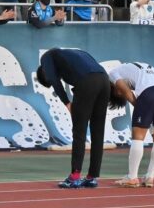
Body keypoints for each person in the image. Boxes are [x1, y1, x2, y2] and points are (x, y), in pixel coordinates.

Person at [36, 48, 110, 188]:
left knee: (79, 132)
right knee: (98, 132)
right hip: (104, 81)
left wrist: (67, 103)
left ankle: (74, 177)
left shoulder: (47, 58)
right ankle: (92, 177)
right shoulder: (75, 53)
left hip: (87, 82)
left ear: (44, 71)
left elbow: (55, 81)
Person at [108, 62, 154, 188]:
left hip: (149, 93)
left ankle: (132, 177)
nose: (120, 93)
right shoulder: (135, 67)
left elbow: (127, 93)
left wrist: (144, 113)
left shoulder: (112, 74)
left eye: (117, 93)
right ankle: (150, 177)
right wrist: (149, 116)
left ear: (112, 88)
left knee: (138, 136)